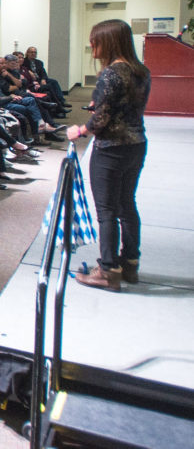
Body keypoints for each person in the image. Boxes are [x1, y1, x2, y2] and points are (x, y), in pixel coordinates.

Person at [68, 19, 150, 292]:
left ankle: (106, 270)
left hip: (111, 149)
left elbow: (101, 121)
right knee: (127, 205)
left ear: (109, 41)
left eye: (95, 40)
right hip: (136, 144)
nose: (92, 45)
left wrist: (81, 129)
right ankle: (130, 263)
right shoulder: (141, 71)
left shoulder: (110, 74)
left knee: (106, 212)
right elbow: (124, 107)